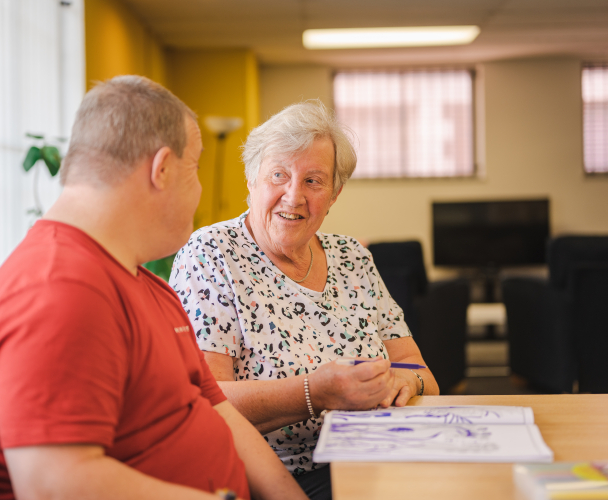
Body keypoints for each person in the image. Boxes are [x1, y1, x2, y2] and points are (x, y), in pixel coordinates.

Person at [0, 76, 308, 500]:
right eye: (194, 169)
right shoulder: (58, 292)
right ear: (163, 169)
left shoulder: (143, 285)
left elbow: (218, 411)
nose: (199, 190)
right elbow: (53, 486)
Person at [169, 101, 440, 500]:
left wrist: (403, 381)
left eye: (314, 181)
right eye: (278, 175)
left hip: (376, 458)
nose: (293, 196)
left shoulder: (352, 258)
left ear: (334, 194)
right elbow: (205, 400)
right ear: (251, 181)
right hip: (272, 477)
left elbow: (423, 375)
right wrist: (316, 392)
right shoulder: (212, 253)